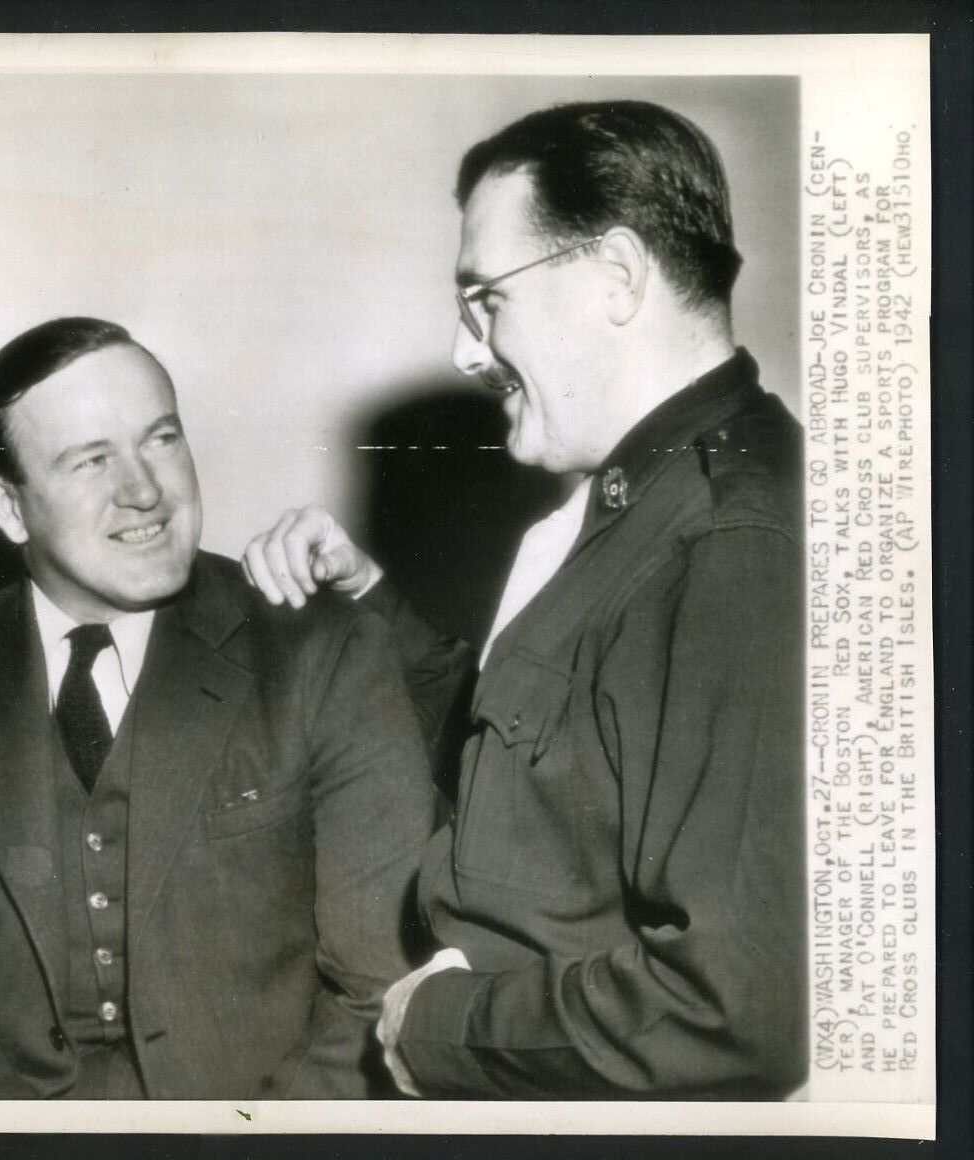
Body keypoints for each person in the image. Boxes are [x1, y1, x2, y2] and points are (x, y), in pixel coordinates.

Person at [243, 100, 806, 1098]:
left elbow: (733, 1006)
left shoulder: (726, 540)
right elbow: (544, 755)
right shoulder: (635, 501)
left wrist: (439, 1029)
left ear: (618, 275)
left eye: (484, 299)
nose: (468, 352)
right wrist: (370, 599)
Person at [0, 317, 460, 1099]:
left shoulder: (320, 649)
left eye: (161, 439)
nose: (142, 490)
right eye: (90, 460)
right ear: (9, 506)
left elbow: (375, 989)